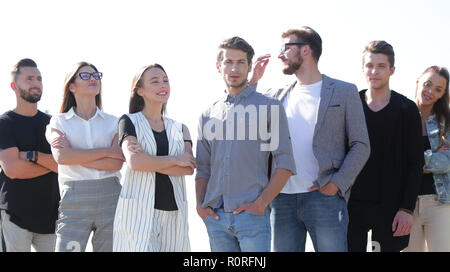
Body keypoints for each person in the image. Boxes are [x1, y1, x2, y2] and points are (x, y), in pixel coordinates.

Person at [250, 26, 370, 252]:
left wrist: (336, 184)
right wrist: (253, 81)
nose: (280, 55)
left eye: (286, 48)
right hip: (281, 199)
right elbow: (243, 116)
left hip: (324, 198)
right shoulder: (275, 96)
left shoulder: (344, 91)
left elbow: (361, 145)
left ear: (306, 50)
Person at [196, 36, 296, 252]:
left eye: (241, 62)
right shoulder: (207, 114)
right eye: (228, 62)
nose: (234, 68)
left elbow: (285, 163)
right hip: (216, 219)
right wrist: (200, 207)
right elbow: (203, 168)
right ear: (218, 66)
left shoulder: (270, 107)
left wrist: (261, 204)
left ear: (250, 66)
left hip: (253, 218)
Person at [347, 41, 424, 252]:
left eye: (381, 66)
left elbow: (415, 162)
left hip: (391, 206)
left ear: (392, 70)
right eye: (370, 65)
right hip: (351, 206)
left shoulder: (407, 109)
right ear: (363, 69)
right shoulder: (350, 104)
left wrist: (407, 209)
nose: (374, 71)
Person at [113, 64, 194, 252]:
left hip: (174, 213)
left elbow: (188, 168)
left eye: (165, 80)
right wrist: (175, 159)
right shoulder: (129, 121)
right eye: (155, 81)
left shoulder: (181, 128)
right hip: (138, 213)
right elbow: (135, 162)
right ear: (140, 90)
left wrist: (148, 160)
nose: (162, 85)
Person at [46, 62, 124, 252]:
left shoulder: (114, 122)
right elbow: (62, 157)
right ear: (71, 86)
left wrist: (76, 155)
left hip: (111, 197)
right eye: (85, 76)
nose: (93, 79)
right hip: (74, 198)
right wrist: (106, 151)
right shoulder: (59, 121)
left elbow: (117, 163)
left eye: (96, 75)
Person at [0, 58, 59, 252]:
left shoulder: (53, 124)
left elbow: (63, 166)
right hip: (15, 216)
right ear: (13, 86)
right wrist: (50, 163)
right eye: (29, 79)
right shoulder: (4, 123)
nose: (36, 83)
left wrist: (31, 156)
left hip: (52, 217)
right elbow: (14, 170)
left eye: (39, 79)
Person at [405, 66, 450, 252]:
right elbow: (391, 157)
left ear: (442, 95)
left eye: (438, 89)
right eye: (427, 84)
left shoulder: (446, 121)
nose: (430, 91)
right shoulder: (400, 115)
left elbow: (447, 161)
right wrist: (433, 156)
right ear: (418, 82)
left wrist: (410, 162)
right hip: (404, 205)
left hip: (439, 202)